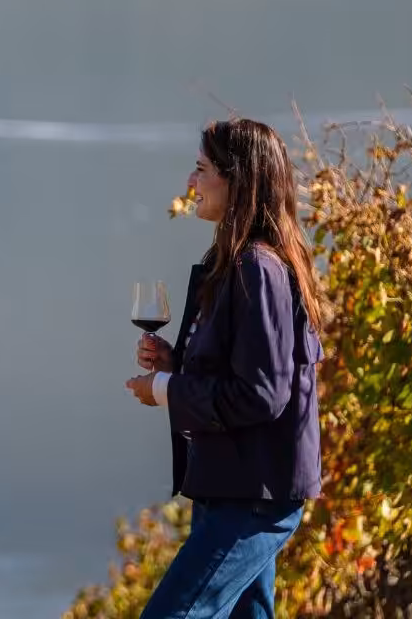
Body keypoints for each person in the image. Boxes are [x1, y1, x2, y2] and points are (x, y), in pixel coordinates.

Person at [124, 117, 326, 619]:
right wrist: (177, 364)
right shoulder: (235, 262)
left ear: (238, 181)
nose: (191, 182)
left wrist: (165, 388)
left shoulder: (257, 268)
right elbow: (243, 373)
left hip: (252, 497)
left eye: (202, 169)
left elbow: (262, 394)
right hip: (232, 487)